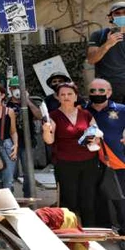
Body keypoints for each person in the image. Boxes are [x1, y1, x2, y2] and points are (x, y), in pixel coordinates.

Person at [42, 82, 99, 227]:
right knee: (69, 200)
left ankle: (89, 233)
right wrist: (46, 130)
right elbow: (49, 140)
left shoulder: (86, 114)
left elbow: (97, 134)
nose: (66, 97)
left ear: (76, 96)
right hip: (65, 163)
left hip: (89, 162)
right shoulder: (53, 116)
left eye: (69, 94)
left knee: (88, 198)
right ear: (58, 97)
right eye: (62, 94)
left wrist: (94, 138)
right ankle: (71, 233)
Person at [84, 78, 125, 232]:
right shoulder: (83, 110)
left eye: (101, 90)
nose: (97, 93)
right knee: (96, 199)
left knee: (120, 199)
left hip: (117, 161)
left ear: (110, 92)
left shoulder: (121, 109)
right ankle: (102, 231)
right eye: (93, 91)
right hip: (90, 162)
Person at [6, 76, 42, 198]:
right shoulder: (6, 104)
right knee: (10, 173)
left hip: (27, 142)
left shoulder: (30, 102)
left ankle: (28, 196)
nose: (17, 90)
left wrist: (27, 101)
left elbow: (39, 116)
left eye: (20, 87)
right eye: (15, 87)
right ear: (10, 89)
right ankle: (9, 198)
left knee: (28, 172)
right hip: (10, 143)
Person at [87, 2, 125, 103]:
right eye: (117, 13)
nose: (122, 16)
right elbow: (91, 60)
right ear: (110, 17)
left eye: (124, 13)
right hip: (107, 87)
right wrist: (108, 44)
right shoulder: (99, 35)